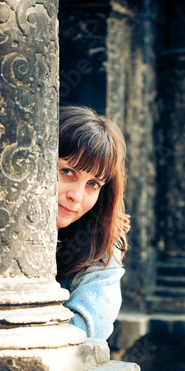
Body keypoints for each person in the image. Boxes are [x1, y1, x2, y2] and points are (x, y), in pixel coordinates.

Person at [56, 105, 130, 340]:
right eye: (67, 171)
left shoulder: (102, 245)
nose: (76, 196)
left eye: (93, 184)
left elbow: (85, 331)